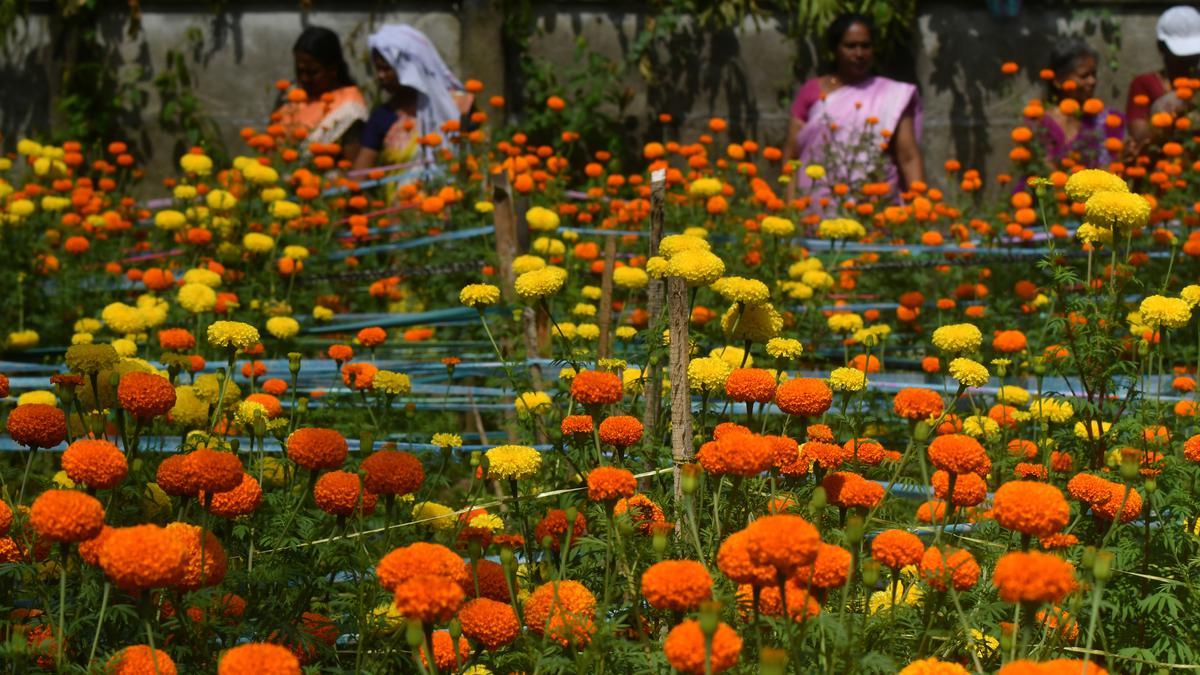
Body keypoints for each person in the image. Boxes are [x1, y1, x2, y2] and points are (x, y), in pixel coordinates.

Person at [783, 13, 924, 205]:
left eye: (865, 46)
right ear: (835, 49)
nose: (859, 54)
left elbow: (908, 157)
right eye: (850, 46)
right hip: (816, 206)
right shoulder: (812, 91)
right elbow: (793, 156)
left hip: (873, 207)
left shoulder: (891, 96)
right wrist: (790, 206)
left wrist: (922, 208)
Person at [353, 24, 474, 171]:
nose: (380, 76)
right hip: (404, 194)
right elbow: (360, 174)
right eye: (377, 69)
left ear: (410, 68)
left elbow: (485, 153)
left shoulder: (458, 106)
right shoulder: (383, 117)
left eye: (386, 69)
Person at [274, 26, 368, 160]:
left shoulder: (350, 108)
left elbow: (352, 168)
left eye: (312, 72)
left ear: (333, 69)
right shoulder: (291, 94)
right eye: (299, 71)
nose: (304, 78)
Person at [1032, 41, 1123, 168]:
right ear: (1058, 81)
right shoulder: (1043, 123)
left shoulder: (1107, 120)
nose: (1092, 81)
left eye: (1094, 74)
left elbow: (1115, 166)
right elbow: (1043, 170)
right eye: (1084, 76)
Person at [1126, 5, 1200, 147]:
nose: (1189, 59)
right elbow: (1138, 135)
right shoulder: (1144, 84)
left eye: (1195, 53)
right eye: (1181, 55)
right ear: (1161, 47)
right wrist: (1173, 113)